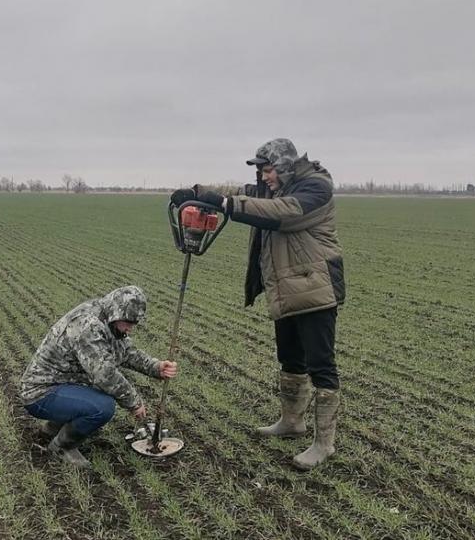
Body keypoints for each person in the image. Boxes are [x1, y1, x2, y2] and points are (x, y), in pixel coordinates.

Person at [170, 138, 345, 470]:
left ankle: (324, 444)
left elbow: (280, 214)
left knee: (321, 364)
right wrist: (195, 191)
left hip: (315, 287)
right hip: (286, 287)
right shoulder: (271, 188)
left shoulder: (315, 187)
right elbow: (238, 191)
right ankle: (292, 421)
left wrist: (222, 202)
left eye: (268, 171)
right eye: (262, 172)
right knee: (290, 358)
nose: (264, 178)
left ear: (284, 167)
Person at [20, 285, 179, 468]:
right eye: (128, 323)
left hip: (62, 384)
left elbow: (125, 351)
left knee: (96, 396)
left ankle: (52, 428)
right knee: (102, 407)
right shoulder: (88, 326)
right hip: (40, 393)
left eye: (133, 323)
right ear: (116, 313)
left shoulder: (107, 319)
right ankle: (62, 447)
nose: (130, 329)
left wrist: (156, 367)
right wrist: (134, 402)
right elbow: (105, 375)